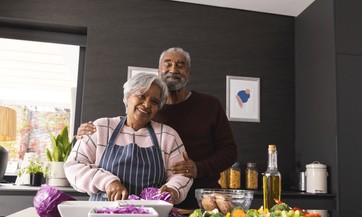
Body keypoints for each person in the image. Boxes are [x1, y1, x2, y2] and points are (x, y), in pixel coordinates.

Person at [76, 47, 237, 208]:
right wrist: (86, 135)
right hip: (143, 207)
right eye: (167, 64)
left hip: (201, 198)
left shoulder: (208, 106)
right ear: (159, 71)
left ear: (189, 74)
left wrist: (197, 169)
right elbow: (125, 128)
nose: (173, 69)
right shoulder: (133, 115)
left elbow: (229, 151)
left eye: (180, 65)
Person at [64, 72, 192, 204]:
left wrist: (173, 190)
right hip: (102, 215)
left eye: (154, 102)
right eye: (141, 96)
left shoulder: (168, 135)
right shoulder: (100, 128)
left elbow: (182, 175)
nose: (147, 105)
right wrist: (108, 182)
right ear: (127, 96)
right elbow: (73, 167)